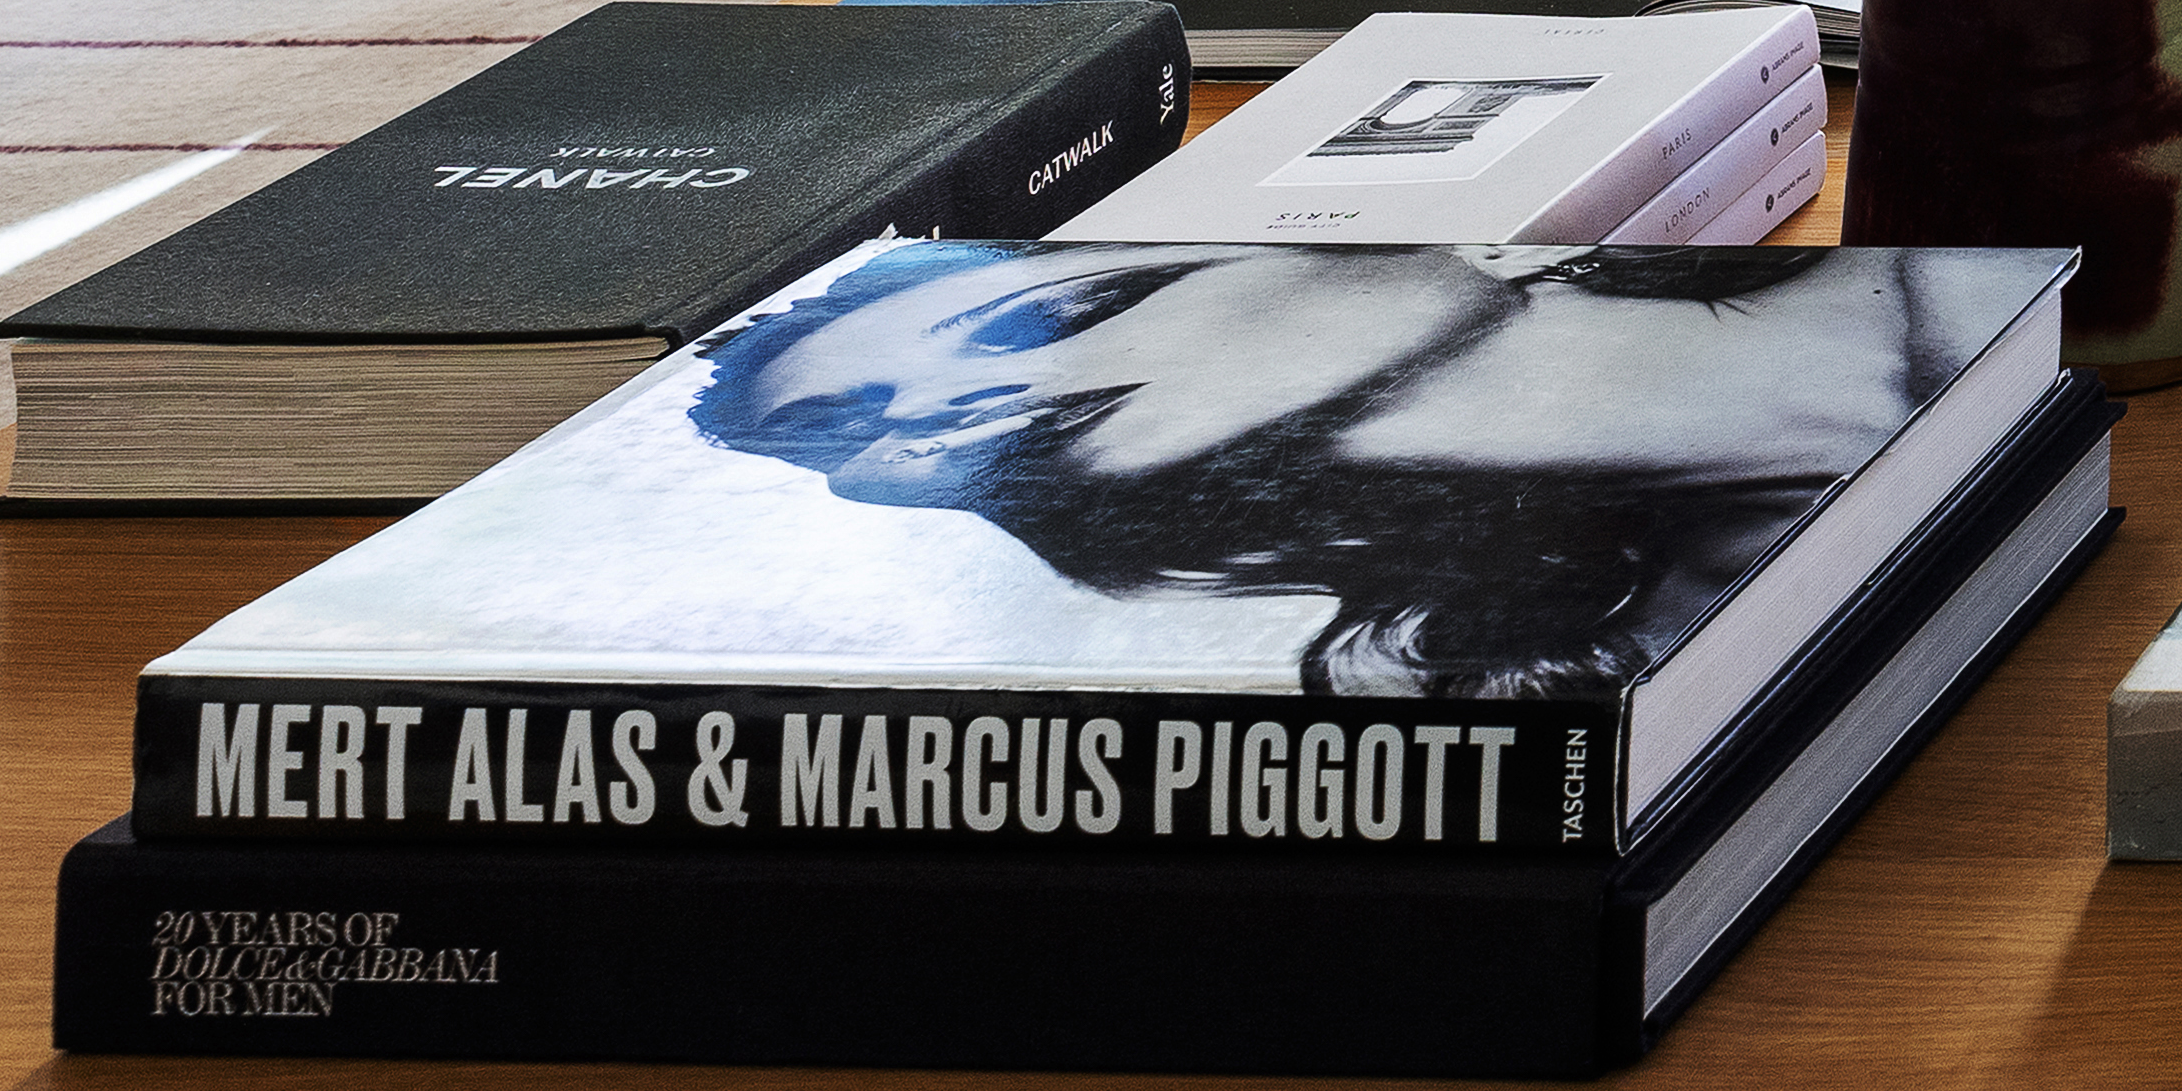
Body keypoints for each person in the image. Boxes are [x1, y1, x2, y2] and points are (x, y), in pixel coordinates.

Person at [686, 242, 1998, 699]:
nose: (954, 402)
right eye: (860, 424)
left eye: (1062, 313)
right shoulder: (1542, 678)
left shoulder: (1998, 312)